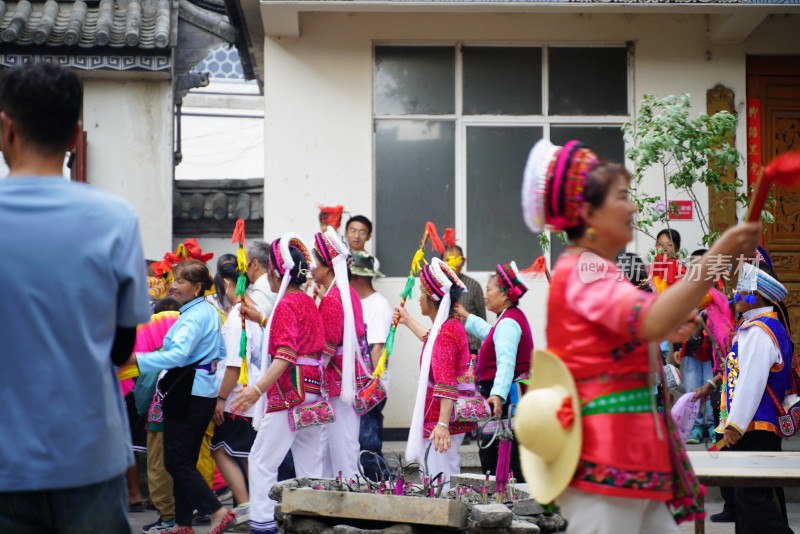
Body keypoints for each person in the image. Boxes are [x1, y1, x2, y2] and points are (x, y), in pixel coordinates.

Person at [516, 138, 760, 532]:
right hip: (606, 455)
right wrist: (719, 253)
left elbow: (641, 328)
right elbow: (648, 321)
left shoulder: (600, 269)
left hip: (630, 452)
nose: (632, 207)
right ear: (588, 212)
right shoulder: (583, 269)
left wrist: (666, 324)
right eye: (623, 197)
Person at [0, 62, 151, 533]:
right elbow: (122, 349)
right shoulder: (114, 219)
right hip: (90, 460)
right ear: (75, 134)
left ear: (6, 128)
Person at [131, 260, 235, 534]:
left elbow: (176, 355)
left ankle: (216, 510)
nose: (174, 286)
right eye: (175, 280)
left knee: (175, 460)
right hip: (202, 392)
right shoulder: (208, 312)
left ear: (197, 287)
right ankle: (183, 523)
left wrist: (138, 361)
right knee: (184, 460)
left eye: (180, 281)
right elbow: (221, 353)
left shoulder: (193, 317)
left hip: (186, 392)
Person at [232, 234, 326, 534]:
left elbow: (285, 354)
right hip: (312, 393)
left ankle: (262, 526)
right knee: (311, 468)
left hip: (289, 394)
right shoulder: (307, 302)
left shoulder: (287, 305)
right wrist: (261, 319)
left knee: (261, 461)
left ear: (275, 271)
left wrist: (256, 389)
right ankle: (316, 525)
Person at [700, 251, 794, 533]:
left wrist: (735, 424)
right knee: (756, 496)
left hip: (754, 427)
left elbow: (750, 382)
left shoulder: (759, 331)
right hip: (757, 426)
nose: (735, 293)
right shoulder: (761, 326)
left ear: (757, 295)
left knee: (751, 498)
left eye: (742, 289)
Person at [394, 258, 477, 490]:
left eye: (421, 292)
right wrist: (408, 321)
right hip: (445, 415)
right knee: (447, 472)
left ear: (432, 300)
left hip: (440, 417)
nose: (418, 297)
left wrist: (441, 425)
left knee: (437, 478)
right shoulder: (449, 327)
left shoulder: (445, 334)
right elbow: (431, 341)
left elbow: (446, 383)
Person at [454, 261, 533, 482]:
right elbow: (492, 335)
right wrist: (467, 317)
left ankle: (510, 501)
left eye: (489, 289)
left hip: (507, 401)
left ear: (505, 295)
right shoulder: (509, 320)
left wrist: (498, 394)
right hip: (509, 399)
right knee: (503, 450)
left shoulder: (508, 323)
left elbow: (506, 361)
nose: (485, 295)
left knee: (503, 452)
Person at [312, 227, 370, 480]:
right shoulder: (346, 295)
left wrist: (310, 379)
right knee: (335, 445)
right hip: (345, 379)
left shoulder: (335, 299)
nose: (310, 266)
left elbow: (327, 347)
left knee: (341, 446)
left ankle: (352, 502)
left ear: (326, 268)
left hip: (337, 382)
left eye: (314, 261)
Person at [212, 261, 263, 527]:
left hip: (237, 396)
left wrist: (220, 398)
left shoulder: (236, 317)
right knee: (245, 453)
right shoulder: (255, 310)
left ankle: (245, 504)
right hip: (252, 391)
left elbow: (233, 363)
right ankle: (254, 504)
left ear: (227, 284)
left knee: (220, 448)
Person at [350, 251, 393, 480]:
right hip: (357, 385)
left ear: (357, 277)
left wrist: (371, 387)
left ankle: (383, 484)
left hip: (369, 386)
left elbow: (378, 349)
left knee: (368, 443)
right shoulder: (355, 302)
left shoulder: (378, 305)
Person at [443, 243, 486, 356]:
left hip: (469, 347)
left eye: (456, 259)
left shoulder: (473, 286)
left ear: (463, 262)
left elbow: (481, 319)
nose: (452, 263)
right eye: (447, 260)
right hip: (445, 344)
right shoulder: (439, 286)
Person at [247, 240, 278, 320]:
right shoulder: (277, 285)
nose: (245, 270)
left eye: (246, 265)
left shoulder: (259, 296)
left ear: (255, 264)